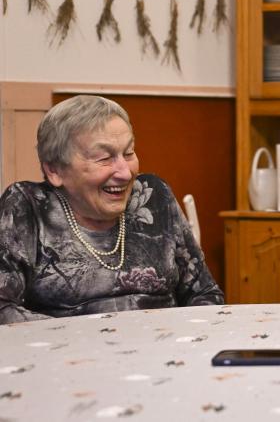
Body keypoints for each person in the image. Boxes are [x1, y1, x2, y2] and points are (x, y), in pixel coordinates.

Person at [0, 95, 223, 324]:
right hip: (70, 353)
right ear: (54, 170)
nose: (125, 173)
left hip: (162, 349)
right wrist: (93, 339)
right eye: (104, 158)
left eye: (129, 153)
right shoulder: (28, 206)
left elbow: (204, 293)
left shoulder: (153, 195)